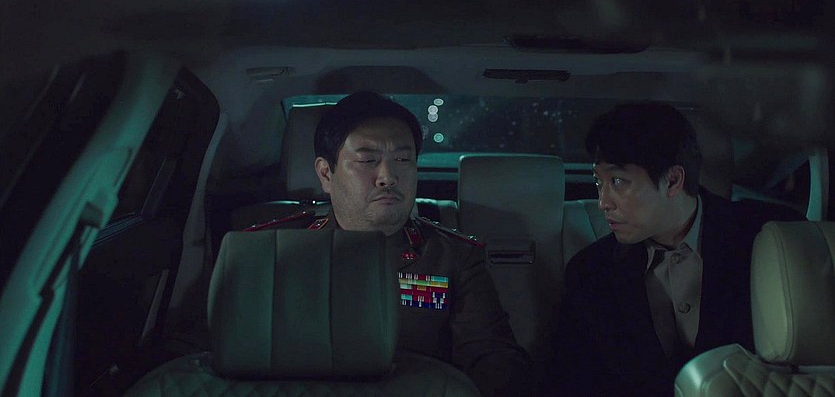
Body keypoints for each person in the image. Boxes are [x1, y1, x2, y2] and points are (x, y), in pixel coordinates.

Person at [247, 91, 533, 396]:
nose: (387, 177)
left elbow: (494, 360)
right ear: (326, 173)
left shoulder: (451, 258)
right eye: (367, 160)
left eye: (402, 160)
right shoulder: (269, 251)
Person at [546, 103, 804, 396]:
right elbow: (568, 382)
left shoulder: (772, 238)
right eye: (598, 182)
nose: (603, 202)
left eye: (618, 181)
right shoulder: (590, 272)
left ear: (672, 181)